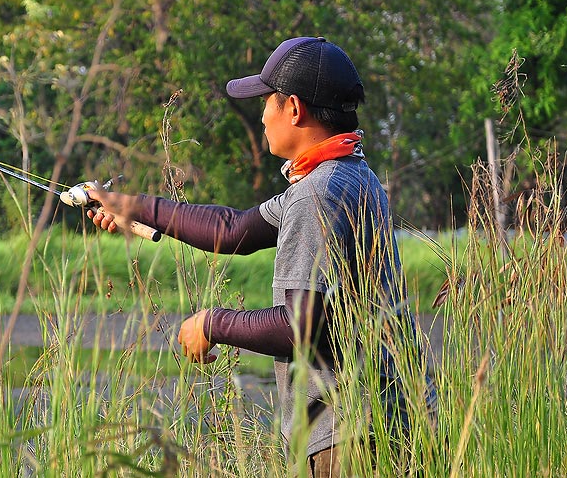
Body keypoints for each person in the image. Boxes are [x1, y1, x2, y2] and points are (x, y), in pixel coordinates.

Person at [88, 36, 432, 476]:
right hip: (389, 419)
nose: (263, 115)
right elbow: (233, 230)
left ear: (293, 108)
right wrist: (132, 207)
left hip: (348, 437)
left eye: (268, 100)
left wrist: (213, 322)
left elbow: (299, 325)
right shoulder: (349, 175)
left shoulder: (316, 196)